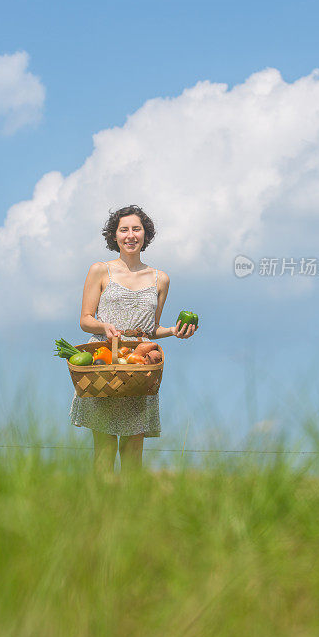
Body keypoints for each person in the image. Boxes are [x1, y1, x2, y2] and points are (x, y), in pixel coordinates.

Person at [69, 204, 197, 478]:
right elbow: (85, 319)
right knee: (103, 449)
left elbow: (149, 332)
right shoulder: (100, 270)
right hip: (105, 360)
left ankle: (131, 514)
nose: (130, 235)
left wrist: (174, 331)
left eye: (136, 229)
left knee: (133, 451)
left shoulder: (160, 279)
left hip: (139, 366)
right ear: (114, 236)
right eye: (123, 229)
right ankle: (100, 514)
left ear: (145, 235)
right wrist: (105, 325)